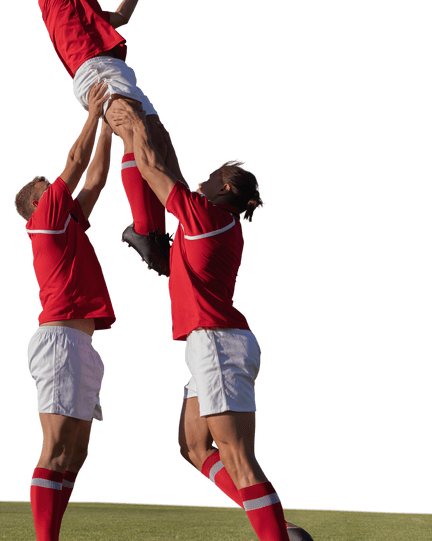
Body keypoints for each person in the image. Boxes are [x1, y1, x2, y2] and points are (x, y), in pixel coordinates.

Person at [121, 107, 311, 541]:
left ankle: (275, 534)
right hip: (210, 343)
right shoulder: (208, 220)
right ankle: (279, 527)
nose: (200, 181)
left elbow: (151, 168)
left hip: (218, 344)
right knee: (194, 448)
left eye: (210, 177)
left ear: (223, 188)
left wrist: (133, 123)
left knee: (239, 458)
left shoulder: (205, 217)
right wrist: (161, 132)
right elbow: (170, 172)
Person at [28, 0, 186, 276]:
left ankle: (174, 225)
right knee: (135, 133)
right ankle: (146, 233)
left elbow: (119, 18)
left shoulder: (75, 1)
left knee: (158, 138)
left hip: (113, 67)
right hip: (94, 68)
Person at [12, 82, 115, 541]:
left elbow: (95, 178)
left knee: (77, 452)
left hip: (78, 344)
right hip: (60, 341)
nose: (58, 189)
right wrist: (93, 112)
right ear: (40, 203)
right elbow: (75, 164)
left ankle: (51, 532)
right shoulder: (45, 220)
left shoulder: (68, 220)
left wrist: (108, 126)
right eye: (49, 188)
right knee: (56, 449)